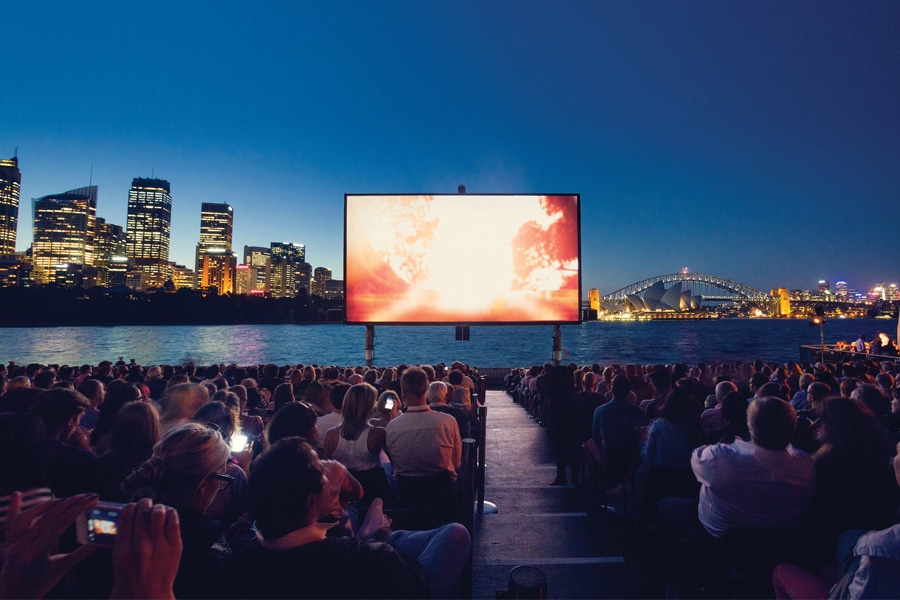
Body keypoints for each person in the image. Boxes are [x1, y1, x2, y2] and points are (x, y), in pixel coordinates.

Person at [238, 438, 470, 599]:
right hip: (396, 571)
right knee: (456, 535)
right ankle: (388, 535)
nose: (328, 474)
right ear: (310, 501)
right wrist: (377, 542)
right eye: (321, 471)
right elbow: (415, 585)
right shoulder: (370, 560)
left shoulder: (242, 557)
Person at [121, 422, 232, 599]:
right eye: (221, 477)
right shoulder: (207, 552)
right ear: (203, 485)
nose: (220, 485)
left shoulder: (125, 521)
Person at [386, 367, 462, 523]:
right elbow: (456, 463)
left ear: (403, 393)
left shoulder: (392, 426)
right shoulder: (448, 422)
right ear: (427, 390)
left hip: (407, 499)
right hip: (443, 498)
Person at [324, 383, 394, 506]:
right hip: (374, 489)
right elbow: (394, 459)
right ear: (370, 407)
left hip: (344, 491)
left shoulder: (331, 435)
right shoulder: (378, 433)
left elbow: (326, 467)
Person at [592, 375, 646, 485]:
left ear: (612, 389)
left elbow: (596, 439)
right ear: (628, 391)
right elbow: (642, 438)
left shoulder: (600, 411)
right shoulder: (637, 411)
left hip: (610, 458)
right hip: (632, 460)